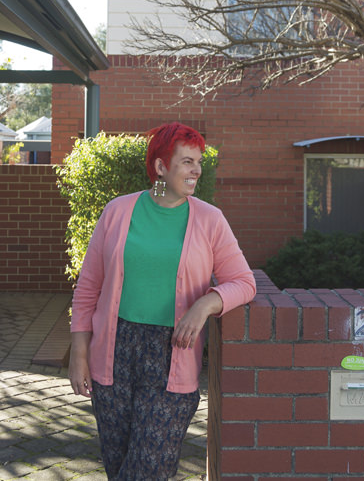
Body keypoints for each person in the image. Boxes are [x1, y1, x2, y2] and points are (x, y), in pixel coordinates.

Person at [69, 121, 256, 479]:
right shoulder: (118, 211)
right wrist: (79, 354)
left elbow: (243, 282)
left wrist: (205, 305)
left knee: (148, 469)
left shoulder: (210, 220)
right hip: (114, 352)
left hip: (172, 353)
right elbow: (88, 287)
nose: (196, 170)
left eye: (198, 162)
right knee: (119, 463)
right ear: (160, 167)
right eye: (187, 161)